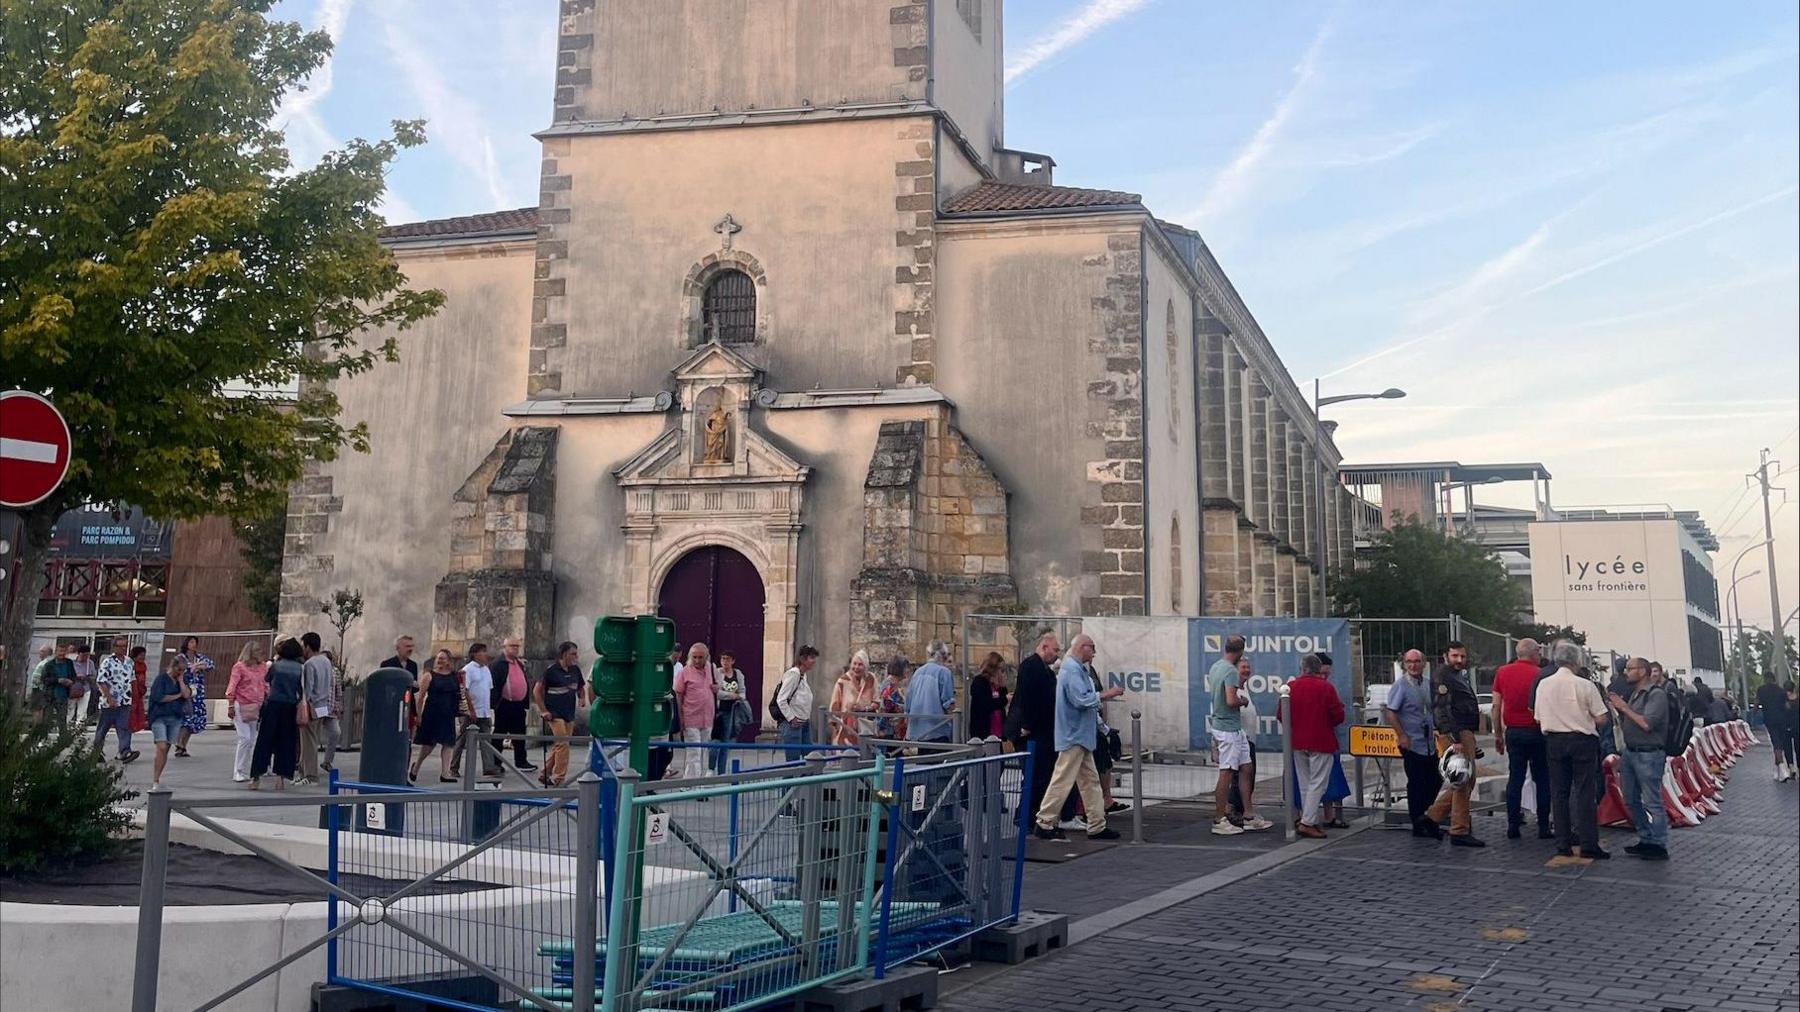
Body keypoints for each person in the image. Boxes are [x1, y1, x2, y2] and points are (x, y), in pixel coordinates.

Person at [1031, 634, 1123, 841]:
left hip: (1080, 735)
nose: (1094, 653)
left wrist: (1104, 728)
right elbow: (1080, 700)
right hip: (1074, 735)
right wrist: (1107, 695)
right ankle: (1045, 821)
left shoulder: (1077, 669)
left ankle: (1097, 824)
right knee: (1063, 779)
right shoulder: (1072, 670)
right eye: (1092, 648)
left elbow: (1084, 702)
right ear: (1083, 647)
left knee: (1089, 781)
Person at [1536, 642, 1610, 859]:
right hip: (1582, 741)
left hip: (1554, 741)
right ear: (1576, 661)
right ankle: (1588, 843)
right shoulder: (1585, 685)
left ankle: (1562, 843)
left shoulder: (1544, 684)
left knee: (1559, 792)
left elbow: (1538, 716)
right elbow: (1601, 717)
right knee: (1585, 792)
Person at [1607, 657, 1670, 861]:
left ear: (1643, 671)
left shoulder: (1656, 695)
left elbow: (1647, 724)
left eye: (1630, 669)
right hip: (1631, 752)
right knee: (1631, 798)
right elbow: (1632, 720)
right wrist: (1620, 708)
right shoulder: (1635, 694)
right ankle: (1646, 838)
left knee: (1652, 800)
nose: (1626, 672)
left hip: (1649, 753)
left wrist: (1624, 707)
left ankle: (1658, 843)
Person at [1425, 641, 1484, 847]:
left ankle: (1431, 818)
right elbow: (1442, 709)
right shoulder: (1443, 676)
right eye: (1455, 656)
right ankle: (1459, 830)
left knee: (1465, 780)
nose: (1459, 660)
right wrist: (1454, 739)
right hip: (1457, 733)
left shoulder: (1455, 675)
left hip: (1463, 732)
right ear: (1445, 656)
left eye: (1462, 656)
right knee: (1462, 781)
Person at [1492, 637, 1552, 840]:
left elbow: (1495, 706)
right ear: (1534, 653)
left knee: (1515, 778)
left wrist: (1498, 734)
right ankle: (1543, 826)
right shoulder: (1541, 675)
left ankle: (1512, 825)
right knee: (1542, 778)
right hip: (1537, 731)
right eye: (1539, 652)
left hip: (1514, 732)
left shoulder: (1502, 672)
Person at [1383, 649, 1443, 837]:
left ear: (1423, 664)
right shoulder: (1401, 686)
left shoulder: (1428, 684)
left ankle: (1428, 815)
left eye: (1417, 661)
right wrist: (1401, 735)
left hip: (1428, 743)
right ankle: (1418, 822)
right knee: (1416, 783)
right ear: (1404, 664)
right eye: (1409, 662)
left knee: (1435, 779)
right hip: (1411, 742)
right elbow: (1391, 712)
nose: (1413, 665)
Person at [1286, 652, 1345, 839]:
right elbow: (1338, 716)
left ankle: (1307, 818)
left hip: (1297, 742)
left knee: (1305, 782)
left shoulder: (1290, 687)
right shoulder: (1326, 688)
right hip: (1321, 740)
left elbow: (1282, 714)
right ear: (1319, 669)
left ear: (1302, 668)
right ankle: (1307, 822)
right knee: (1318, 783)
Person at [1006, 631, 1061, 820]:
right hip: (1030, 731)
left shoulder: (1043, 669)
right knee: (1034, 775)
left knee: (1040, 775)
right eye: (1055, 650)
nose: (1057, 654)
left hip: (1040, 730)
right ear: (1044, 647)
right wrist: (1027, 725)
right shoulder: (1031, 666)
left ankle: (1029, 814)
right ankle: (1025, 815)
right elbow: (1028, 698)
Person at [1207, 635, 1255, 836]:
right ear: (1241, 651)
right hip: (1228, 728)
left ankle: (1249, 815)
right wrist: (1242, 702)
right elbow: (1230, 700)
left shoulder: (1216, 666)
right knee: (1226, 772)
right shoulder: (1230, 671)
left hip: (1232, 728)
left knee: (1246, 766)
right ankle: (1219, 819)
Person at [250, 638, 305, 789]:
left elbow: (267, 679)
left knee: (264, 741)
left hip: (273, 704)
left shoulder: (276, 666)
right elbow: (300, 690)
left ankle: (256, 777)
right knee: (286, 742)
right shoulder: (300, 668)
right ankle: (280, 779)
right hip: (290, 706)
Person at [535, 641, 587, 786]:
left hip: (568, 712)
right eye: (573, 654)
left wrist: (582, 698)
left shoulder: (575, 670)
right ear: (564, 654)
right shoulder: (551, 670)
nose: (576, 657)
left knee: (560, 744)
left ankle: (545, 773)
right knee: (563, 743)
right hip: (554, 713)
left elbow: (581, 687)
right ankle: (559, 778)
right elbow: (537, 691)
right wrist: (544, 711)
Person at [410, 648, 463, 783]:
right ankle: (416, 766)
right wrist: (419, 715)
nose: (439, 660)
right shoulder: (429, 676)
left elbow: (460, 692)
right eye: (438, 658)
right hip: (432, 713)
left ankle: (445, 773)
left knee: (448, 743)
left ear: (448, 661)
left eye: (443, 658)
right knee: (428, 745)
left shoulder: (454, 676)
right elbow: (421, 697)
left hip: (448, 713)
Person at [670, 643, 718, 779]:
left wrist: (716, 688)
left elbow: (718, 686)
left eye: (700, 657)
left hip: (707, 717)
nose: (697, 660)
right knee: (694, 752)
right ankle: (692, 784)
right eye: (695, 657)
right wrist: (680, 719)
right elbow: (678, 696)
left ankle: (694, 781)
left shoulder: (712, 669)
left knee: (702, 752)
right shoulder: (684, 672)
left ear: (706, 657)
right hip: (690, 717)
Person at [146, 655, 193, 790]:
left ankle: (157, 777)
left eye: (183, 671)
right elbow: (160, 697)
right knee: (161, 746)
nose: (180, 673)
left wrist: (181, 681)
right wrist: (177, 696)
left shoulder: (181, 680)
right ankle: (155, 779)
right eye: (179, 670)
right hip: (159, 716)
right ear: (172, 667)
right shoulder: (161, 680)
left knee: (165, 749)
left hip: (175, 718)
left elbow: (187, 694)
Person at [489, 637, 536, 772]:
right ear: (505, 647)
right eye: (512, 646)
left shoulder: (519, 663)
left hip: (518, 704)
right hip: (504, 704)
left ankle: (521, 761)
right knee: (499, 733)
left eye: (517, 646)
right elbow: (494, 685)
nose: (515, 649)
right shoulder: (498, 663)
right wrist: (495, 703)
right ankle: (495, 763)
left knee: (520, 734)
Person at [297, 632, 338, 784]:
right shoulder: (326, 661)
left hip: (312, 706)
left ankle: (310, 775)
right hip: (323, 706)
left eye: (303, 645)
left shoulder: (309, 664)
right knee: (312, 740)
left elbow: (308, 688)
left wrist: (304, 704)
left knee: (308, 743)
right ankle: (303, 773)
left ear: (308, 646)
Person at [225, 641, 269, 783]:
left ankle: (245, 768)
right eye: (257, 651)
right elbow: (233, 685)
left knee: (251, 739)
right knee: (245, 738)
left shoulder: (263, 667)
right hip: (241, 704)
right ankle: (238, 770)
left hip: (256, 705)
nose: (260, 653)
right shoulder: (239, 667)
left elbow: (265, 684)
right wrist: (231, 704)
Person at [1227, 658, 1263, 824]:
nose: (1247, 670)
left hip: (1249, 740)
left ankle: (1243, 812)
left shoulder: (1244, 689)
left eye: (1248, 667)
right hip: (1240, 739)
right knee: (1238, 777)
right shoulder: (1232, 691)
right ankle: (1233, 810)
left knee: (1249, 777)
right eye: (1243, 667)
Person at [452, 642, 496, 779]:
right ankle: (453, 767)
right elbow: (464, 691)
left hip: (484, 711)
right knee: (462, 740)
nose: (486, 655)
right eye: (483, 652)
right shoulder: (468, 670)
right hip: (470, 711)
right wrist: (470, 710)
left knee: (486, 740)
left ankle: (488, 767)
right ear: (475, 654)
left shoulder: (486, 669)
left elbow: (487, 689)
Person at [93, 636, 140, 763]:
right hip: (110, 702)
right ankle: (96, 752)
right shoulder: (108, 662)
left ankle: (125, 751)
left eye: (125, 646)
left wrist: (135, 698)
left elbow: (132, 679)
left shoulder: (129, 661)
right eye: (120, 646)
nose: (123, 648)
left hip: (125, 700)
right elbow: (101, 681)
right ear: (114, 647)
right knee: (103, 728)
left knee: (124, 726)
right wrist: (109, 698)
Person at [905, 642, 958, 745]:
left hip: (917, 730)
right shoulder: (944, 672)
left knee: (921, 760)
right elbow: (948, 703)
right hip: (937, 730)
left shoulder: (917, 672)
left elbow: (908, 703)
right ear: (944, 656)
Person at [173, 636, 214, 757]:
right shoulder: (180, 658)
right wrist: (191, 669)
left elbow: (210, 665)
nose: (193, 644)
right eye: (191, 642)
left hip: (197, 691)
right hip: (184, 690)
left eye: (195, 642)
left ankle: (183, 746)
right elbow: (175, 670)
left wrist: (201, 666)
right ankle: (179, 744)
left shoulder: (200, 657)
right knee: (186, 717)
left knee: (195, 718)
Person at [828, 651, 878, 746]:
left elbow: (877, 702)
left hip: (865, 728)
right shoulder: (842, 681)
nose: (856, 667)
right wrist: (834, 729)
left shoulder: (871, 679)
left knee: (865, 755)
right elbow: (834, 707)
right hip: (846, 729)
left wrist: (864, 709)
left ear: (865, 666)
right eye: (854, 664)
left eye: (860, 664)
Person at [773, 646, 819, 748]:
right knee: (794, 758)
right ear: (803, 659)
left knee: (808, 755)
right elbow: (781, 699)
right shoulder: (794, 675)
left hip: (804, 721)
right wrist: (791, 718)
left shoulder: (803, 675)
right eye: (811, 657)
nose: (814, 661)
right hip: (793, 724)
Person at [1755, 671, 1794, 781]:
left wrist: (1753, 717)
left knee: (1776, 744)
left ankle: (1782, 769)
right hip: (1782, 720)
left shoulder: (1761, 689)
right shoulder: (1781, 690)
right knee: (1779, 744)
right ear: (1774, 679)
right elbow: (1787, 707)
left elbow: (1757, 704)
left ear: (1766, 679)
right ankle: (1777, 770)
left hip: (1769, 720)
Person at [967, 653, 1010, 741]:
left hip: (999, 732)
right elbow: (986, 704)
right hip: (983, 731)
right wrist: (1005, 699)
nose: (1002, 673)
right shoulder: (979, 682)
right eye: (1000, 670)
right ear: (993, 669)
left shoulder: (1000, 686)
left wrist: (1002, 685)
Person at [39, 643, 74, 724]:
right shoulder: (49, 664)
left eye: (64, 651)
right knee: (47, 719)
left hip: (63, 696)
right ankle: (43, 736)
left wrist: (71, 681)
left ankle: (62, 736)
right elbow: (44, 679)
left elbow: (73, 676)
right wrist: (58, 680)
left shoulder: (69, 663)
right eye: (60, 651)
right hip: (50, 695)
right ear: (56, 652)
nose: (62, 653)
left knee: (62, 720)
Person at [877, 658, 908, 741]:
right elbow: (887, 703)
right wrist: (903, 708)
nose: (907, 671)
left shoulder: (897, 683)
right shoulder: (890, 683)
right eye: (905, 668)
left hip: (894, 728)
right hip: (889, 728)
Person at [71, 644, 97, 723]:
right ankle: (66, 728)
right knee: (70, 709)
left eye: (87, 655)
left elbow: (94, 676)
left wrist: (87, 677)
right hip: (73, 688)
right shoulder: (72, 662)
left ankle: (79, 729)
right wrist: (76, 676)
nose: (85, 658)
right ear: (79, 654)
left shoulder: (90, 663)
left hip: (85, 688)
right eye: (84, 655)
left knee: (82, 711)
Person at [127, 645, 149, 734]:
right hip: (132, 690)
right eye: (141, 654)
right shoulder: (130, 664)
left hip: (140, 691)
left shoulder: (143, 666)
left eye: (144, 654)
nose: (143, 656)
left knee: (138, 710)